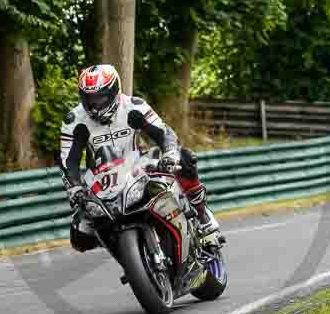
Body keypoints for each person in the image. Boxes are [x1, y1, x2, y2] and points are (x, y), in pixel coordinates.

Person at [59, 64, 221, 252]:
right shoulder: (74, 120)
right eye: (88, 98)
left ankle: (202, 214)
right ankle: (127, 252)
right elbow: (68, 161)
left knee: (185, 157)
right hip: (101, 180)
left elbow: (163, 132)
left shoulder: (133, 106)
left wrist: (169, 152)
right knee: (80, 237)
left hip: (137, 165)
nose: (94, 105)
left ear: (113, 92)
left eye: (99, 97)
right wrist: (75, 187)